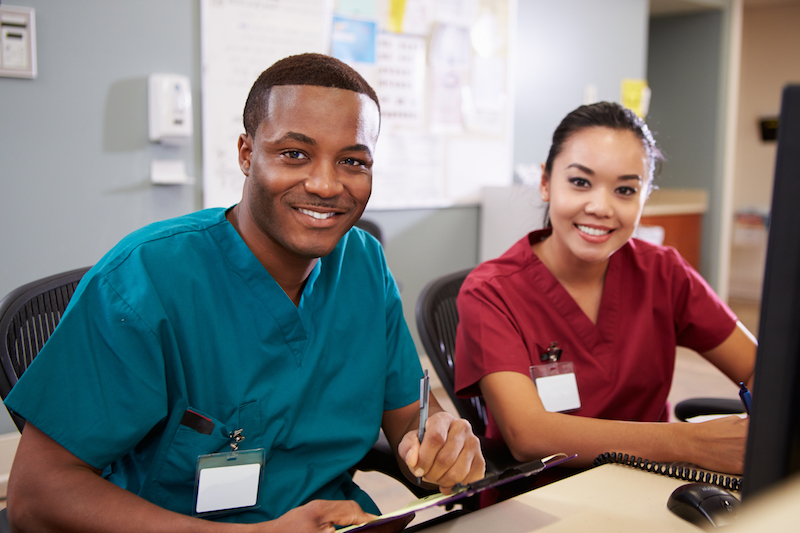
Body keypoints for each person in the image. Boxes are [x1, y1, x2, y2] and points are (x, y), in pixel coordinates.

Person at [4, 53, 485, 533]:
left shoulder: (363, 264)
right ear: (246, 154)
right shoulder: (145, 279)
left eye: (352, 161)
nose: (325, 184)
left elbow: (409, 415)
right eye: (294, 154)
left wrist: (441, 441)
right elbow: (35, 495)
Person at [454, 102, 756, 480]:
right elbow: (527, 434)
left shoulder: (664, 273)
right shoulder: (491, 292)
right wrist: (692, 442)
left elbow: (758, 367)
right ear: (545, 182)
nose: (601, 207)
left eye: (625, 190)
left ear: (645, 197)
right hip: (540, 497)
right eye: (580, 182)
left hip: (648, 485)